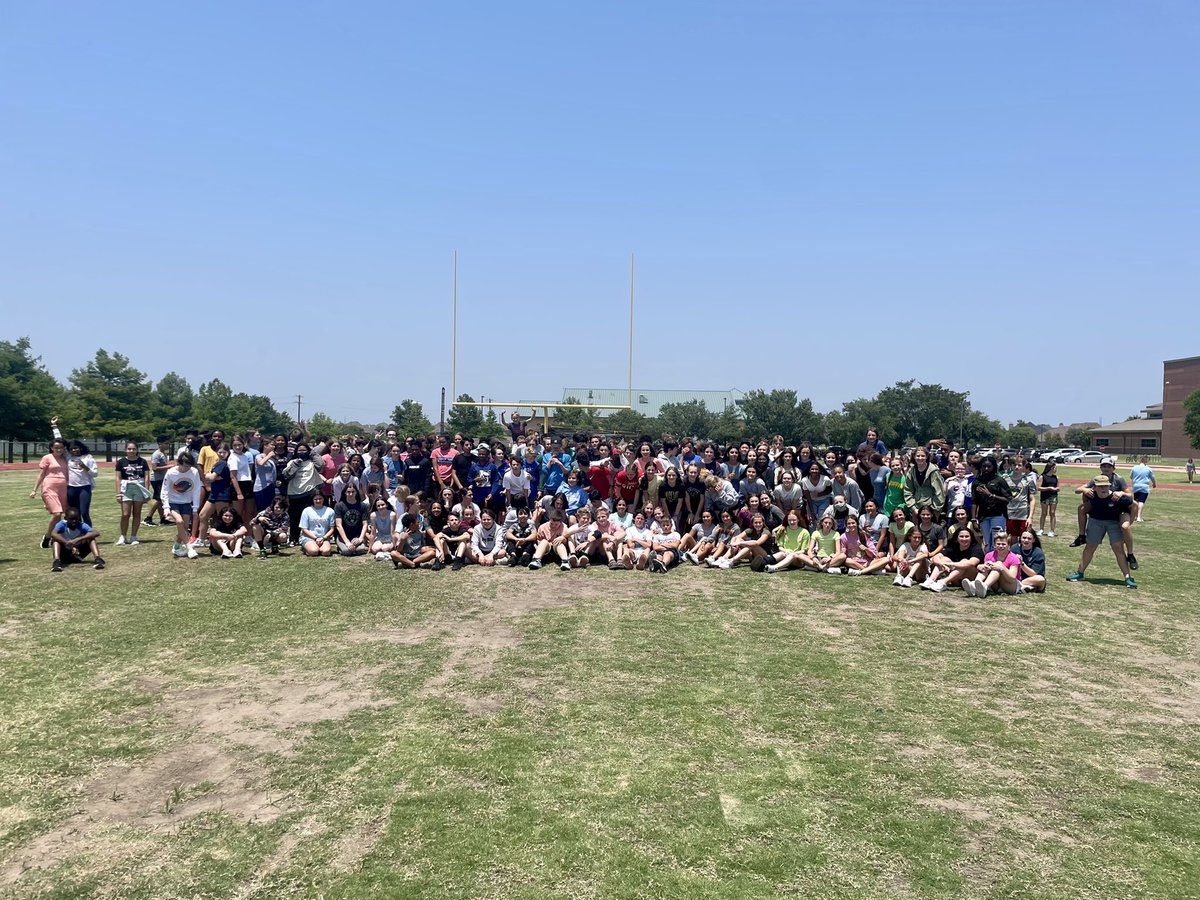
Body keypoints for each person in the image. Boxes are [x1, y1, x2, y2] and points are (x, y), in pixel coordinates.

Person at [1065, 475, 1138, 589]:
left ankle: (1128, 577)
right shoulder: (1091, 494)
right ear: (1094, 487)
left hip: (1113, 522)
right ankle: (1080, 573)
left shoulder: (1117, 497)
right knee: (1090, 547)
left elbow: (1134, 505)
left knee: (1118, 548)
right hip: (1096, 521)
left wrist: (1130, 522)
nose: (1103, 489)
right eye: (1100, 487)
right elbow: (1081, 495)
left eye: (1105, 486)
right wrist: (1084, 490)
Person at [1070, 457, 1137, 571]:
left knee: (1125, 528)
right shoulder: (1097, 479)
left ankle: (1130, 555)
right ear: (1100, 467)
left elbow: (1130, 496)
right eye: (1104, 466)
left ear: (1113, 468)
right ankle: (1081, 536)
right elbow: (1077, 489)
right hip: (1102, 508)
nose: (1106, 468)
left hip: (1120, 508)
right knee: (1081, 508)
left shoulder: (1118, 479)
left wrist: (1121, 493)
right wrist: (1084, 490)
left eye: (1109, 466)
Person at [161, 451, 204, 559]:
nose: (187, 468)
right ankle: (189, 548)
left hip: (186, 503)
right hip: (173, 503)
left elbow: (196, 489)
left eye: (189, 466)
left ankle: (176, 546)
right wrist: (166, 507)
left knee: (184, 528)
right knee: (179, 521)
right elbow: (164, 490)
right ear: (179, 463)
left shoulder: (194, 472)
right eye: (185, 466)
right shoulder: (171, 473)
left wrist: (195, 508)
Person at [31, 432, 70, 549]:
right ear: (52, 448)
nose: (58, 449)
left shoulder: (65, 458)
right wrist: (34, 490)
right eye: (56, 447)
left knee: (64, 514)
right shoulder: (47, 458)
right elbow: (41, 474)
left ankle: (57, 538)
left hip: (63, 488)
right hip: (49, 487)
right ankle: (48, 536)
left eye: (61, 447)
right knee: (57, 514)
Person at [921, 526, 983, 592]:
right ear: (957, 538)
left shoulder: (976, 548)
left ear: (971, 538)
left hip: (970, 578)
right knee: (943, 559)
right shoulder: (953, 547)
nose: (964, 539)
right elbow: (936, 557)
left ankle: (943, 582)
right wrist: (941, 563)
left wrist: (951, 564)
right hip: (955, 579)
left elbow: (971, 563)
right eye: (961, 536)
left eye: (967, 536)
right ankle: (931, 580)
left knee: (964, 561)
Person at [971, 456, 1012, 554]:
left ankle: (998, 564)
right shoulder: (977, 482)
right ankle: (988, 563)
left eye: (989, 466)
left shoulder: (999, 481)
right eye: (984, 466)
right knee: (987, 543)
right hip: (983, 516)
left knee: (997, 542)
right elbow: (974, 501)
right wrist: (973, 519)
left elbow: (1007, 499)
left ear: (994, 467)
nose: (986, 469)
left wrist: (990, 495)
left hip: (998, 515)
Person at [114, 440, 152, 545]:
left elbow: (146, 476)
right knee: (125, 514)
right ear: (125, 450)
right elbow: (118, 478)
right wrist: (118, 494)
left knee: (137, 513)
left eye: (134, 449)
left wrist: (146, 492)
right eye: (129, 449)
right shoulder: (121, 462)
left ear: (137, 450)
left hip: (139, 488)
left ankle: (133, 536)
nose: (131, 451)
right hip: (126, 488)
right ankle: (123, 536)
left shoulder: (143, 461)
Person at [967, 531, 1022, 598]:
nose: (1000, 546)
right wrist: (982, 567)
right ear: (994, 545)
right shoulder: (989, 555)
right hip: (995, 584)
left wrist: (1002, 568)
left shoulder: (1014, 558)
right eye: (998, 544)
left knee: (998, 565)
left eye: (1003, 544)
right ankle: (974, 585)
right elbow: (985, 571)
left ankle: (984, 586)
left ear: (1008, 545)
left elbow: (1012, 578)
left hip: (1011, 585)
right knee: (987, 567)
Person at [49, 507, 105, 572]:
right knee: (55, 540)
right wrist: (67, 543)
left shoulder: (81, 525)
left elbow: (96, 533)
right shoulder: (62, 524)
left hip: (78, 554)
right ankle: (57, 562)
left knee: (91, 538)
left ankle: (98, 559)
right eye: (71, 519)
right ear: (66, 518)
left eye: (76, 519)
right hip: (64, 554)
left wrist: (77, 540)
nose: (74, 521)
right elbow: (53, 534)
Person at [902, 447, 946, 523]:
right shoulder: (911, 471)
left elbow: (939, 492)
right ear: (914, 457)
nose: (920, 458)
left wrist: (933, 510)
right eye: (918, 456)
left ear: (927, 457)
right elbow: (907, 490)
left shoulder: (933, 471)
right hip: (916, 509)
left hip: (931, 510)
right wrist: (913, 508)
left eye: (922, 456)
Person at [144, 435, 174, 528]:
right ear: (160, 444)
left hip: (162, 478)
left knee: (161, 500)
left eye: (168, 443)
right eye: (166, 443)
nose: (168, 445)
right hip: (156, 479)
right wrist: (169, 466)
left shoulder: (163, 453)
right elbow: (154, 468)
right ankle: (148, 518)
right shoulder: (156, 454)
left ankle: (163, 519)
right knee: (158, 499)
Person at [334, 483, 369, 556]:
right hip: (343, 536)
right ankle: (341, 546)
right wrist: (347, 542)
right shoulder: (339, 506)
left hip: (356, 535)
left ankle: (354, 547)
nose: (350, 494)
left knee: (360, 550)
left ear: (356, 492)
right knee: (347, 551)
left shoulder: (363, 506)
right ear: (345, 493)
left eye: (353, 492)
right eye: (348, 492)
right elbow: (338, 525)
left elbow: (365, 524)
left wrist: (360, 538)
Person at [299, 492, 336, 557]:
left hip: (324, 538)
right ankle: (305, 547)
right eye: (316, 499)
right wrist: (315, 538)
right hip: (309, 537)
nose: (318, 501)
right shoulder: (306, 510)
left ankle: (318, 547)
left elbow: (332, 529)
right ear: (312, 500)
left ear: (323, 499)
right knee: (314, 551)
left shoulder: (330, 511)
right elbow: (304, 529)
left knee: (326, 552)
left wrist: (324, 538)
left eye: (320, 498)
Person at [647, 508, 682, 573]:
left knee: (667, 553)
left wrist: (662, 545)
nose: (665, 527)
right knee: (659, 556)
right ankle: (655, 564)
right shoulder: (657, 536)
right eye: (663, 525)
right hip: (660, 552)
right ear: (660, 526)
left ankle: (663, 564)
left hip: (673, 554)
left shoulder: (676, 534)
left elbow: (675, 545)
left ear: (671, 525)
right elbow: (655, 547)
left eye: (667, 525)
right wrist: (669, 545)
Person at [1128, 456, 1157, 523]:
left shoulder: (1134, 468)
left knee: (1136, 501)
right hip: (1144, 486)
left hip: (1136, 486)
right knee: (1141, 501)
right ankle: (1138, 517)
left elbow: (1131, 476)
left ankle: (1134, 516)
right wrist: (1154, 484)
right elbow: (1152, 478)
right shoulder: (1148, 469)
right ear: (1146, 461)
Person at [1036, 461, 1060, 537]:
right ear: (1051, 468)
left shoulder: (1056, 477)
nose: (1056, 469)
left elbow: (1058, 487)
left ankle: (1052, 530)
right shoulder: (1042, 476)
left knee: (1052, 513)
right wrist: (1048, 488)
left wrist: (1056, 489)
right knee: (1044, 513)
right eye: (1055, 467)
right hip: (1045, 496)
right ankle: (1041, 529)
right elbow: (1038, 488)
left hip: (1053, 496)